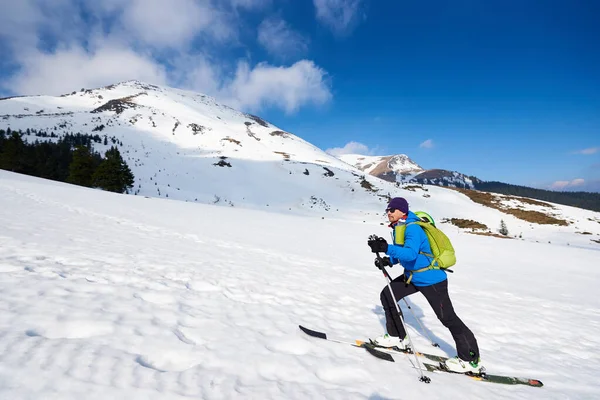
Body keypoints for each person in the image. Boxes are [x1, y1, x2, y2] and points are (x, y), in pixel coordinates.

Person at [367, 197, 483, 374]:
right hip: (412, 277)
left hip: (431, 280)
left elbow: (411, 254)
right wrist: (388, 260)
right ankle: (397, 337)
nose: (389, 212)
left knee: (447, 317)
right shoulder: (400, 227)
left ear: (403, 211)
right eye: (388, 210)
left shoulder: (413, 228)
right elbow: (405, 254)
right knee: (388, 294)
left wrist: (386, 248)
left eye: (393, 209)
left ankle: (470, 360)